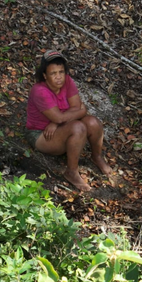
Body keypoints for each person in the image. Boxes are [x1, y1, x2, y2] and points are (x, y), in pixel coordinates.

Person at [25, 50, 112, 191]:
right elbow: (74, 111)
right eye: (53, 74)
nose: (59, 77)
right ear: (45, 75)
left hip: (61, 128)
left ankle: (97, 156)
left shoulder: (67, 81)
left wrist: (57, 121)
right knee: (78, 127)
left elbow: (75, 107)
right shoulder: (39, 91)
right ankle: (71, 171)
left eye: (61, 72)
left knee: (93, 122)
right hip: (40, 135)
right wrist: (76, 113)